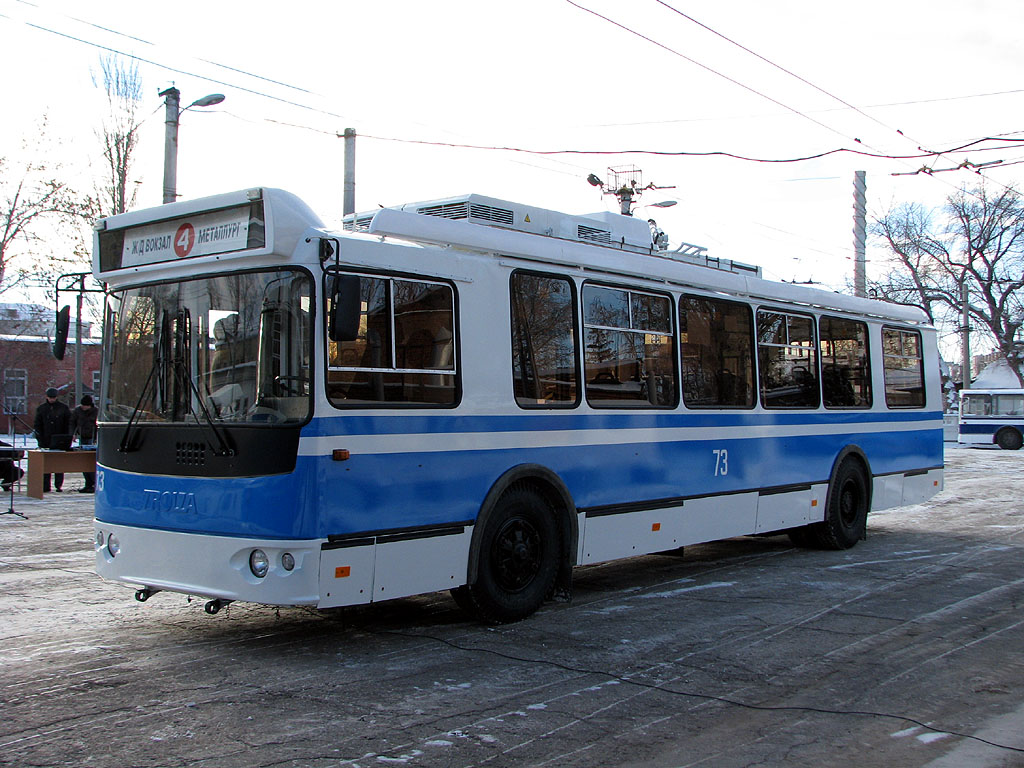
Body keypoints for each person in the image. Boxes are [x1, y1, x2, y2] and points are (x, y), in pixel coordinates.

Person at [33, 387, 71, 492]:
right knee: (46, 464)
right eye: (50, 397)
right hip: (46, 439)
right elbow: (37, 424)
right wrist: (40, 438)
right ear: (47, 397)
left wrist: (67, 437)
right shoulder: (42, 408)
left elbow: (68, 423)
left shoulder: (63, 408)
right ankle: (46, 485)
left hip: (60, 439)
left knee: (59, 463)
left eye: (53, 397)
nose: (52, 399)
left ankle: (58, 485)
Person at [70, 394, 98, 493]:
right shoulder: (77, 411)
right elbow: (72, 422)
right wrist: (73, 434)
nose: (83, 407)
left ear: (89, 405)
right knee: (84, 461)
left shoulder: (96, 412)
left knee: (91, 461)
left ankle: (94, 482)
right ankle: (88, 483)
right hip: (82, 436)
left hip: (93, 438)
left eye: (85, 405)